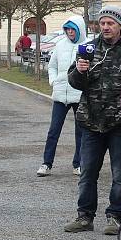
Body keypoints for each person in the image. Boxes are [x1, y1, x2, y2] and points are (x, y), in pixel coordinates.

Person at [63, 5, 121, 235]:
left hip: (119, 123)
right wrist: (79, 70)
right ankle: (84, 216)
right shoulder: (88, 48)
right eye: (102, 23)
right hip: (91, 122)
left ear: (119, 25)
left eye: (110, 23)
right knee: (87, 172)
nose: (105, 27)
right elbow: (74, 82)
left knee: (120, 174)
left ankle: (115, 216)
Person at [37, 15, 86, 177]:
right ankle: (46, 163)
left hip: (78, 95)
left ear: (80, 30)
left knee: (80, 132)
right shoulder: (60, 45)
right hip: (60, 95)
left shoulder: (86, 46)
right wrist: (54, 81)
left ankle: (78, 164)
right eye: (68, 29)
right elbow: (52, 66)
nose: (70, 32)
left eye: (73, 29)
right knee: (53, 131)